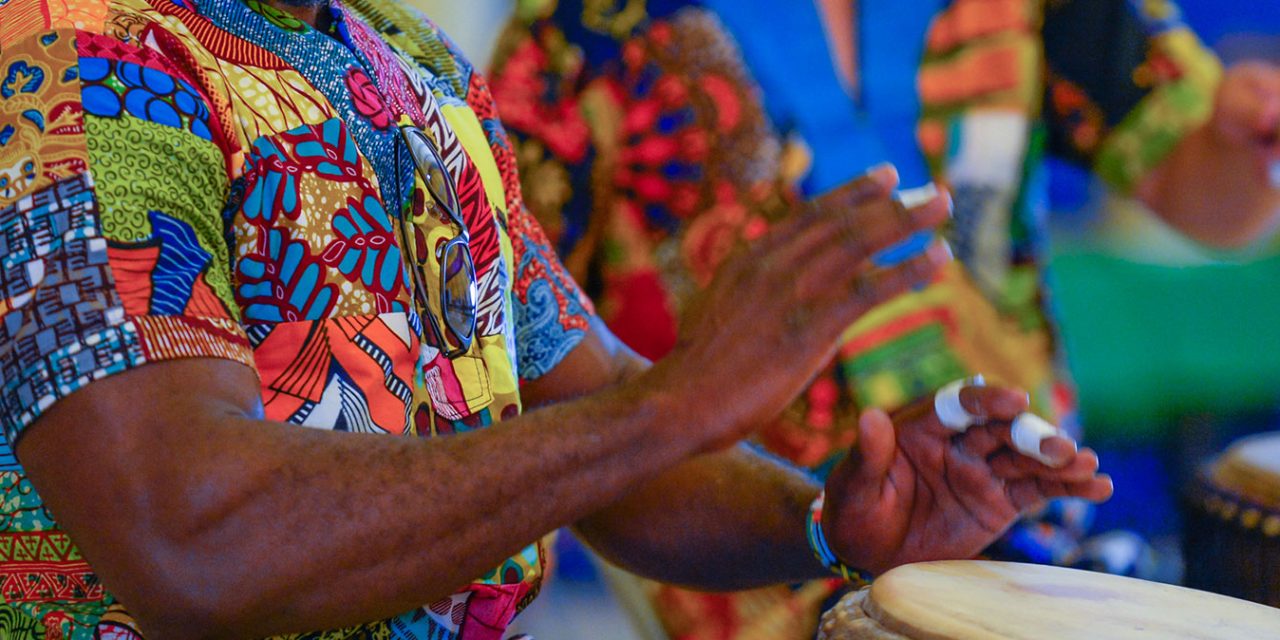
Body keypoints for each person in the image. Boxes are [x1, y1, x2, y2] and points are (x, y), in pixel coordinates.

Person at [0, 0, 1112, 637]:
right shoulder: (65, 59)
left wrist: (826, 517)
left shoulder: (413, 66)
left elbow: (604, 441)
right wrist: (665, 408)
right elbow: (193, 537)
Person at [487, 0, 1280, 637]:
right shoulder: (573, 39)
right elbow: (522, 382)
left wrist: (1242, 146)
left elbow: (1201, 186)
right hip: (752, 587)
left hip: (1039, 560)